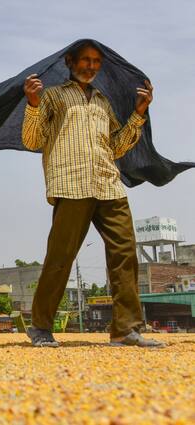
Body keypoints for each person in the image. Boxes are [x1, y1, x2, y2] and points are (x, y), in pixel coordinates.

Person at [22, 40, 163, 348]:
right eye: (85, 60)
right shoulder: (53, 97)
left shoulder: (103, 101)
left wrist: (139, 114)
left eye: (96, 61)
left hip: (108, 183)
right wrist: (32, 104)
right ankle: (41, 327)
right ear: (70, 62)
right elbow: (33, 141)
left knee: (125, 253)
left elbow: (116, 147)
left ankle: (126, 330)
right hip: (71, 185)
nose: (91, 66)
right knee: (61, 257)